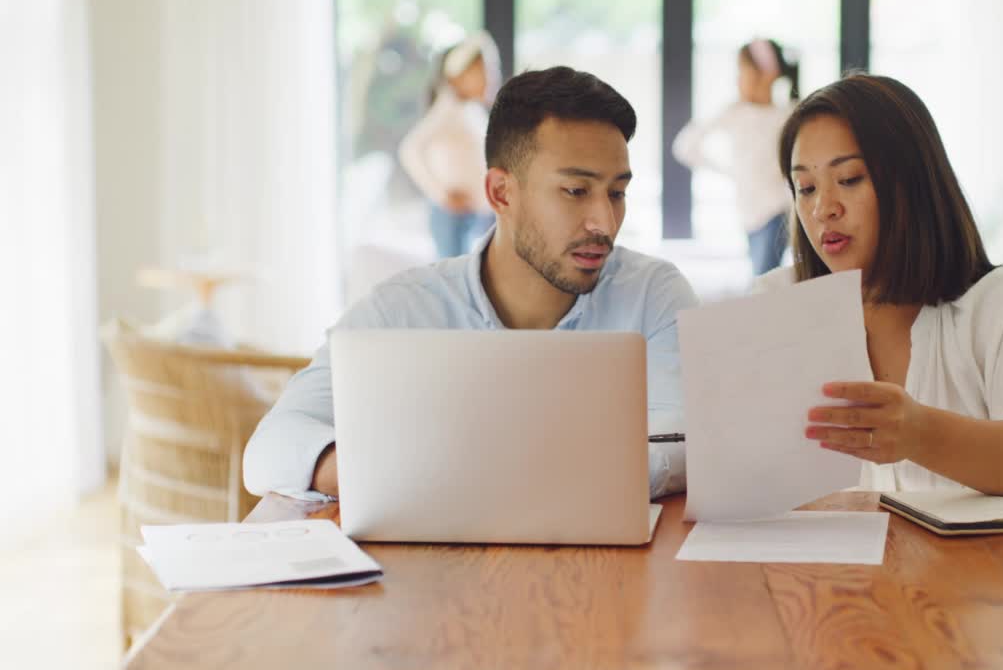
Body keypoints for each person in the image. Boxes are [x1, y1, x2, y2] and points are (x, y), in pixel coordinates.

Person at [246, 67, 698, 501]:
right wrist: (389, 475)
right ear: (501, 193)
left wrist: (489, 476)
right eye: (577, 191)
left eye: (616, 193)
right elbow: (270, 449)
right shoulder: (402, 309)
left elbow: (684, 442)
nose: (604, 221)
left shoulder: (652, 295)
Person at [761, 73, 1003, 499]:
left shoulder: (999, 306)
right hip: (815, 564)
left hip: (978, 566)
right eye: (806, 187)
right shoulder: (773, 305)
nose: (823, 209)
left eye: (851, 178)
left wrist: (920, 434)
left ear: (910, 184)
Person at [673, 38, 799, 275]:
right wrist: (728, 171)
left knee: (762, 279)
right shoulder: (734, 112)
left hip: (777, 210)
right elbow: (686, 145)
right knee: (761, 278)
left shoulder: (787, 113)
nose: (738, 80)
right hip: (748, 213)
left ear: (768, 74)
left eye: (743, 71)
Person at [398, 30, 502, 259]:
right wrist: (441, 195)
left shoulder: (472, 110)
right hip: (453, 218)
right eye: (483, 71)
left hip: (473, 216)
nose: (491, 78)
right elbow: (410, 150)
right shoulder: (448, 108)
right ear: (460, 76)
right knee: (453, 285)